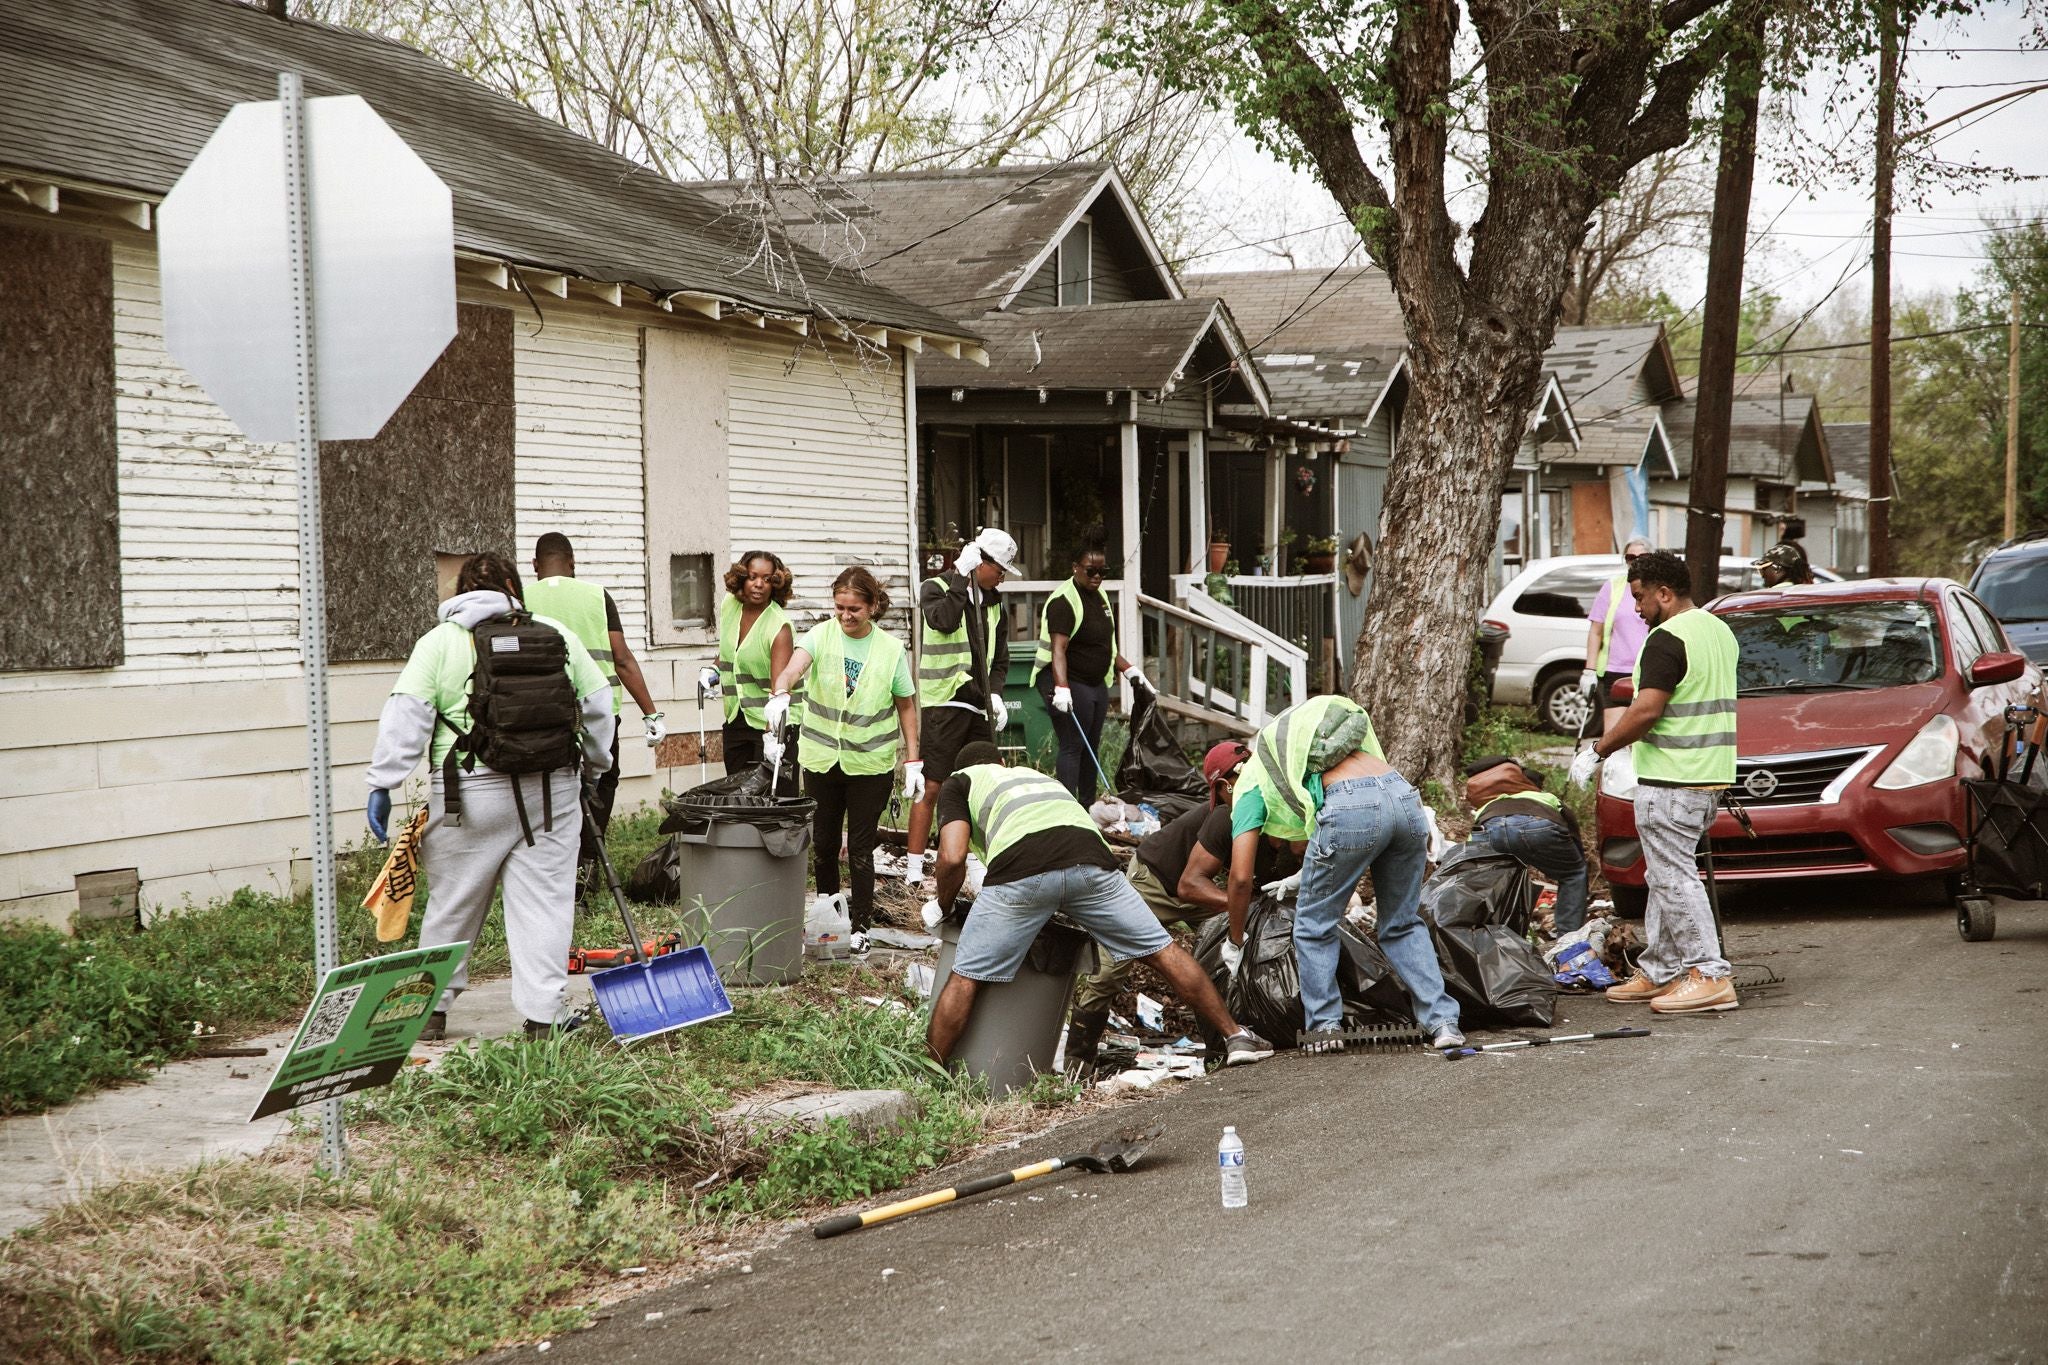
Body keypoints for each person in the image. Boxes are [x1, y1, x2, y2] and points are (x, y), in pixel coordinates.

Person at [363, 552, 615, 1038]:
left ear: (459, 593)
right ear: (513, 587)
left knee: (453, 901)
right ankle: (545, 1016)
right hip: (552, 790)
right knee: (545, 902)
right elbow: (599, 703)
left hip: (466, 793)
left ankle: (429, 1010)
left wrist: (383, 783)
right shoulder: (555, 633)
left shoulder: (439, 643)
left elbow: (406, 715)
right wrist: (596, 769)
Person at [924, 742, 1274, 1068]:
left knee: (965, 977)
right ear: (1002, 762)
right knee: (1162, 951)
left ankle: (931, 1078)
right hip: (1092, 861)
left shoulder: (960, 781)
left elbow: (952, 857)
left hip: (1022, 867)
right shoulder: (1035, 776)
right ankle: (1236, 1036)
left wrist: (943, 904)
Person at [1225, 694, 1465, 1052]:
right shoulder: (1323, 758)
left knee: (1313, 925)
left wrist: (1235, 940)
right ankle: (1444, 1024)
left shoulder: (1251, 787)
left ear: (1226, 784)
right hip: (1403, 796)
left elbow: (1241, 878)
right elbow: (1318, 839)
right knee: (1401, 922)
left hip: (1350, 804)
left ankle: (1324, 1028)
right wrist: (1304, 875)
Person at [1571, 549, 1740, 1013]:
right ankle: (1663, 969)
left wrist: (1599, 749)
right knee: (1666, 873)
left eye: (1642, 598)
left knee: (1673, 877)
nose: (1638, 609)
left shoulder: (1666, 639)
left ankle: (1708, 973)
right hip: (1709, 774)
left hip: (1672, 776)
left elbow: (1645, 710)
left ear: (1665, 594)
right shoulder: (1718, 629)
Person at [1065, 740, 1300, 1065]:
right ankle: (1078, 1064)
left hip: (1198, 885)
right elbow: (1190, 887)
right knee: (1111, 969)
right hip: (1155, 882)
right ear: (1224, 786)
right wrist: (1240, 906)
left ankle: (1237, 1036)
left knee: (1228, 949)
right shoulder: (1223, 815)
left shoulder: (1270, 807)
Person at [766, 566, 919, 947]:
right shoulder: (821, 635)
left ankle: (862, 928)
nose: (846, 616)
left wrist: (913, 758)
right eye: (839, 608)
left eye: (854, 609)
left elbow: (906, 705)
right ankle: (828, 919)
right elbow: (793, 668)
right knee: (825, 844)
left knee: (862, 849)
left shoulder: (889, 649)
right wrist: (780, 692)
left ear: (872, 606)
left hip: (870, 764)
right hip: (821, 759)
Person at [522, 533, 664, 886]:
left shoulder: (518, 599)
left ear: (535, 565)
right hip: (597, 709)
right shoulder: (597, 596)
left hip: (538, 714)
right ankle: (588, 863)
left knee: (548, 783)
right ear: (572, 563)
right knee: (600, 782)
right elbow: (622, 659)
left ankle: (551, 864)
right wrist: (651, 712)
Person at [904, 528, 1022, 888]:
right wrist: (960, 579)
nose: (1001, 576)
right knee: (933, 784)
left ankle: (974, 862)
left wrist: (997, 693)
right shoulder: (935, 588)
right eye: (999, 568)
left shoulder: (995, 601)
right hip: (945, 701)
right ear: (979, 561)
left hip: (979, 703)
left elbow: (1000, 657)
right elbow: (943, 620)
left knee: (983, 784)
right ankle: (913, 869)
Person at [1032, 532, 1151, 804]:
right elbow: (1058, 649)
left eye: (1103, 571)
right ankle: (1066, 810)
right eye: (1091, 571)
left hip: (1095, 683)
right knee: (1074, 744)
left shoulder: (1100, 597)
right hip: (1068, 681)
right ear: (1076, 567)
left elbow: (1104, 644)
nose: (1097, 576)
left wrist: (1129, 670)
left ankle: (1086, 808)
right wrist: (1062, 689)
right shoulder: (1063, 600)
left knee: (1091, 747)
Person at [1464, 754, 1588, 936]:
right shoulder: (1545, 797)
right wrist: (1577, 862)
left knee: (1489, 884)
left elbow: (1472, 838)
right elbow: (1572, 829)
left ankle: (1484, 935)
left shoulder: (1492, 803)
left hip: (1490, 830)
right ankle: (1568, 938)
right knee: (1573, 875)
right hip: (1539, 825)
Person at [712, 549, 795, 775]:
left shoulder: (779, 627)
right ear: (741, 578)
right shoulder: (730, 605)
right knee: (738, 797)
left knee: (772, 802)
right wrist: (713, 670)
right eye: (752, 577)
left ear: (775, 584)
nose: (759, 584)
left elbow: (780, 690)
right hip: (736, 718)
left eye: (767, 579)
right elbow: (732, 653)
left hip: (772, 723)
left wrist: (772, 738)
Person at [1582, 536, 1653, 736]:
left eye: (1643, 556)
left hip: (1649, 671)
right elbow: (1596, 631)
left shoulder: (1659, 589)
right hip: (1616, 672)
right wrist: (1589, 670)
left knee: (1642, 738)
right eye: (1631, 557)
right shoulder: (1613, 587)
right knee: (1613, 737)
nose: (1636, 561)